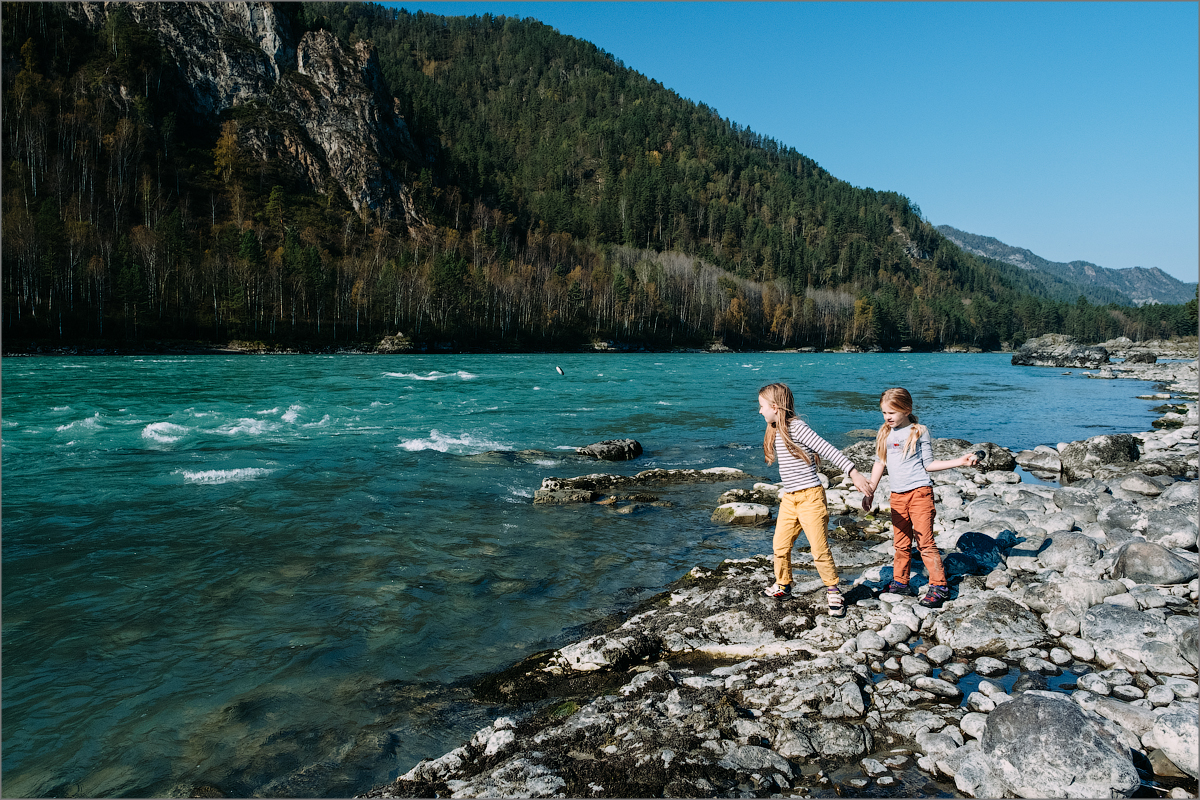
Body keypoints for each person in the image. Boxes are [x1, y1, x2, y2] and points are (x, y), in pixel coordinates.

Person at [757, 382, 873, 616]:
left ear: (776, 407)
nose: (759, 411)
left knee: (819, 548)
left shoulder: (797, 427)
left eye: (762, 406)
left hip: (811, 497)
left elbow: (827, 449)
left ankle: (833, 591)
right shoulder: (775, 428)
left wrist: (854, 473)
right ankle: (783, 585)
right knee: (780, 545)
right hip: (790, 499)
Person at [863, 387, 979, 608]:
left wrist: (960, 461)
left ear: (906, 410)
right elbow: (880, 463)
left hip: (920, 493)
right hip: (897, 496)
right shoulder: (885, 433)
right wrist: (871, 490)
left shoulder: (919, 431)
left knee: (925, 542)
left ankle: (939, 586)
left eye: (892, 413)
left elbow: (929, 464)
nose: (887, 417)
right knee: (901, 543)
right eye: (884, 413)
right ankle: (900, 582)